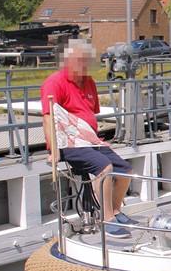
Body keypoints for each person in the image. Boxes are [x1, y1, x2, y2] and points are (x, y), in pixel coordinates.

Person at [40, 39, 136, 239]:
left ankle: (116, 210)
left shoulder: (88, 82)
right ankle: (107, 219)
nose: (84, 66)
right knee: (104, 168)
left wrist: (95, 138)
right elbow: (48, 117)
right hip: (68, 142)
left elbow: (90, 114)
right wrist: (54, 149)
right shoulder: (54, 83)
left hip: (89, 140)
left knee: (126, 169)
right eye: (80, 61)